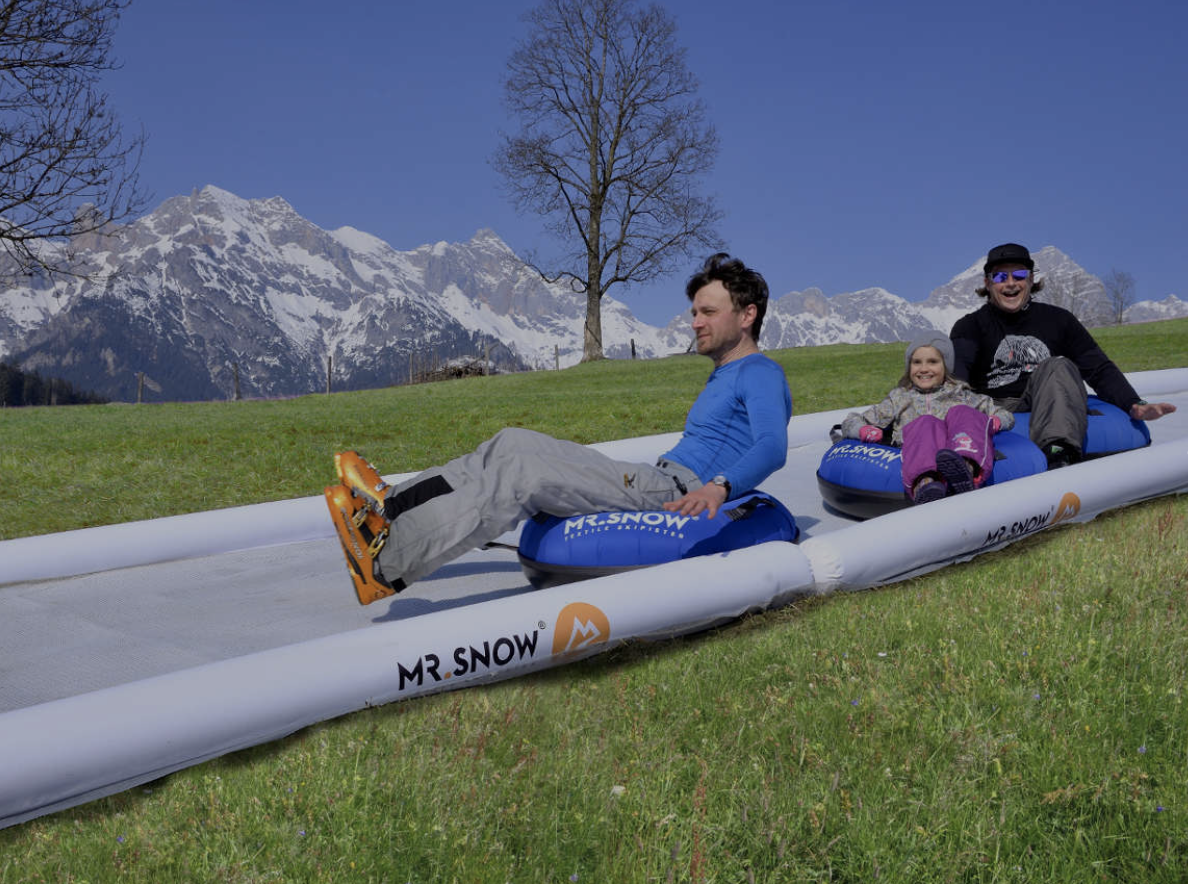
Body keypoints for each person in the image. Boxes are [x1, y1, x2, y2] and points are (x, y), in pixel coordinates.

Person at [325, 253, 794, 605]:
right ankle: (391, 504)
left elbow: (773, 446)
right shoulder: (727, 373)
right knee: (512, 441)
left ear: (747, 315)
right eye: (694, 312)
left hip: (675, 491)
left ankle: (384, 566)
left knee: (524, 476)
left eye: (708, 313)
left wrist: (719, 487)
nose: (695, 323)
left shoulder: (759, 372)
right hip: (658, 477)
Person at [949, 242, 1176, 469]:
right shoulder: (969, 327)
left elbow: (1098, 368)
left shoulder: (1059, 320)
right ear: (987, 283)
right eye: (1000, 277)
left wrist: (1134, 403)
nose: (1010, 283)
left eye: (1019, 275)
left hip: (1051, 399)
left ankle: (1059, 454)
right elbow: (957, 380)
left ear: (1031, 279)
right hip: (996, 406)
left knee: (1057, 365)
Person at [839, 337, 1015, 504]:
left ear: (945, 366)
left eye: (932, 362)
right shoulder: (899, 398)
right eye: (917, 362)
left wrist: (994, 422)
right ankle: (926, 485)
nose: (924, 369)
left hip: (955, 450)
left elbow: (1005, 415)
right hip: (919, 452)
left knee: (964, 413)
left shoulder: (963, 395)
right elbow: (851, 421)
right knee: (926, 423)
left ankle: (965, 470)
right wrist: (862, 430)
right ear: (909, 367)